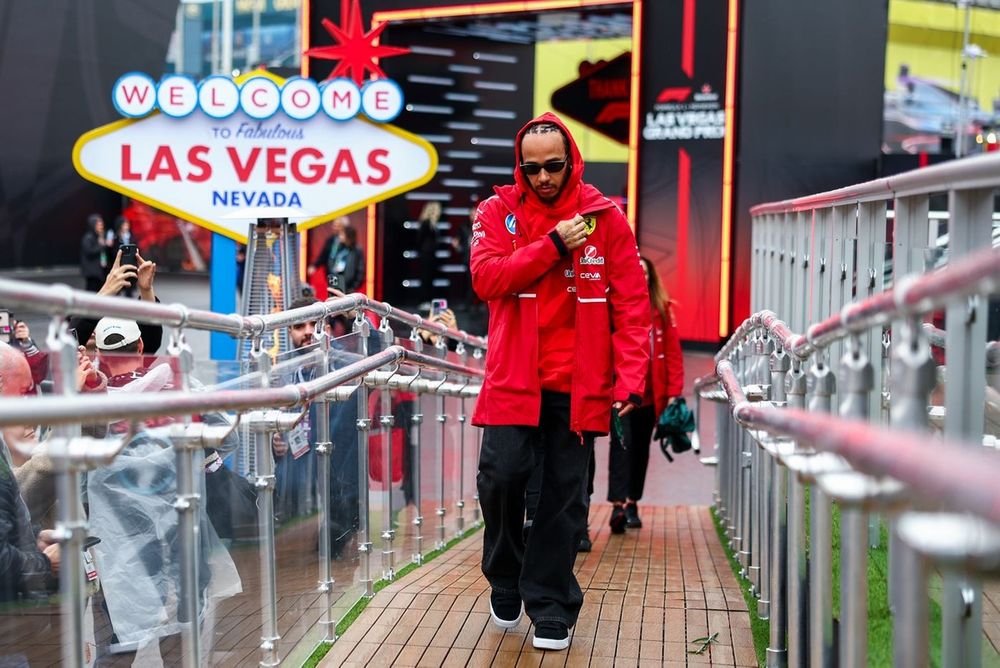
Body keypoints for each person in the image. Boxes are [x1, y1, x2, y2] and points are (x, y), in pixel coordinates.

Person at [469, 112, 650, 650]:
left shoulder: (605, 218)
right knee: (500, 477)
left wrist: (632, 380)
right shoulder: (495, 212)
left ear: (571, 160)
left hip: (577, 385)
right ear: (519, 168)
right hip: (512, 377)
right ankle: (505, 573)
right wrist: (551, 245)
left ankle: (550, 602)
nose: (543, 178)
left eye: (553, 166)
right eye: (532, 169)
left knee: (563, 498)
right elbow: (486, 278)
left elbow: (634, 307)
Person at [607, 256, 684, 532]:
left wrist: (674, 393)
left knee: (640, 450)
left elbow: (673, 355)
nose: (640, 276)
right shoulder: (617, 305)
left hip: (652, 396)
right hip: (621, 392)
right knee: (621, 444)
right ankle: (617, 505)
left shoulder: (662, 310)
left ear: (651, 278)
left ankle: (632, 502)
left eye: (645, 273)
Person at [416, 202, 441, 305]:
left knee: (429, 277)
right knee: (426, 277)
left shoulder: (433, 224)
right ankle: (424, 300)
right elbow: (419, 239)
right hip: (426, 254)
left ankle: (428, 300)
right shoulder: (426, 223)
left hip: (431, 254)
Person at [80, 214, 111, 291]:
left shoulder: (100, 237)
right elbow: (90, 252)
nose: (101, 227)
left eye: (101, 224)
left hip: (101, 271)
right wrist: (103, 245)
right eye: (98, 225)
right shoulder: (88, 238)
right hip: (92, 273)